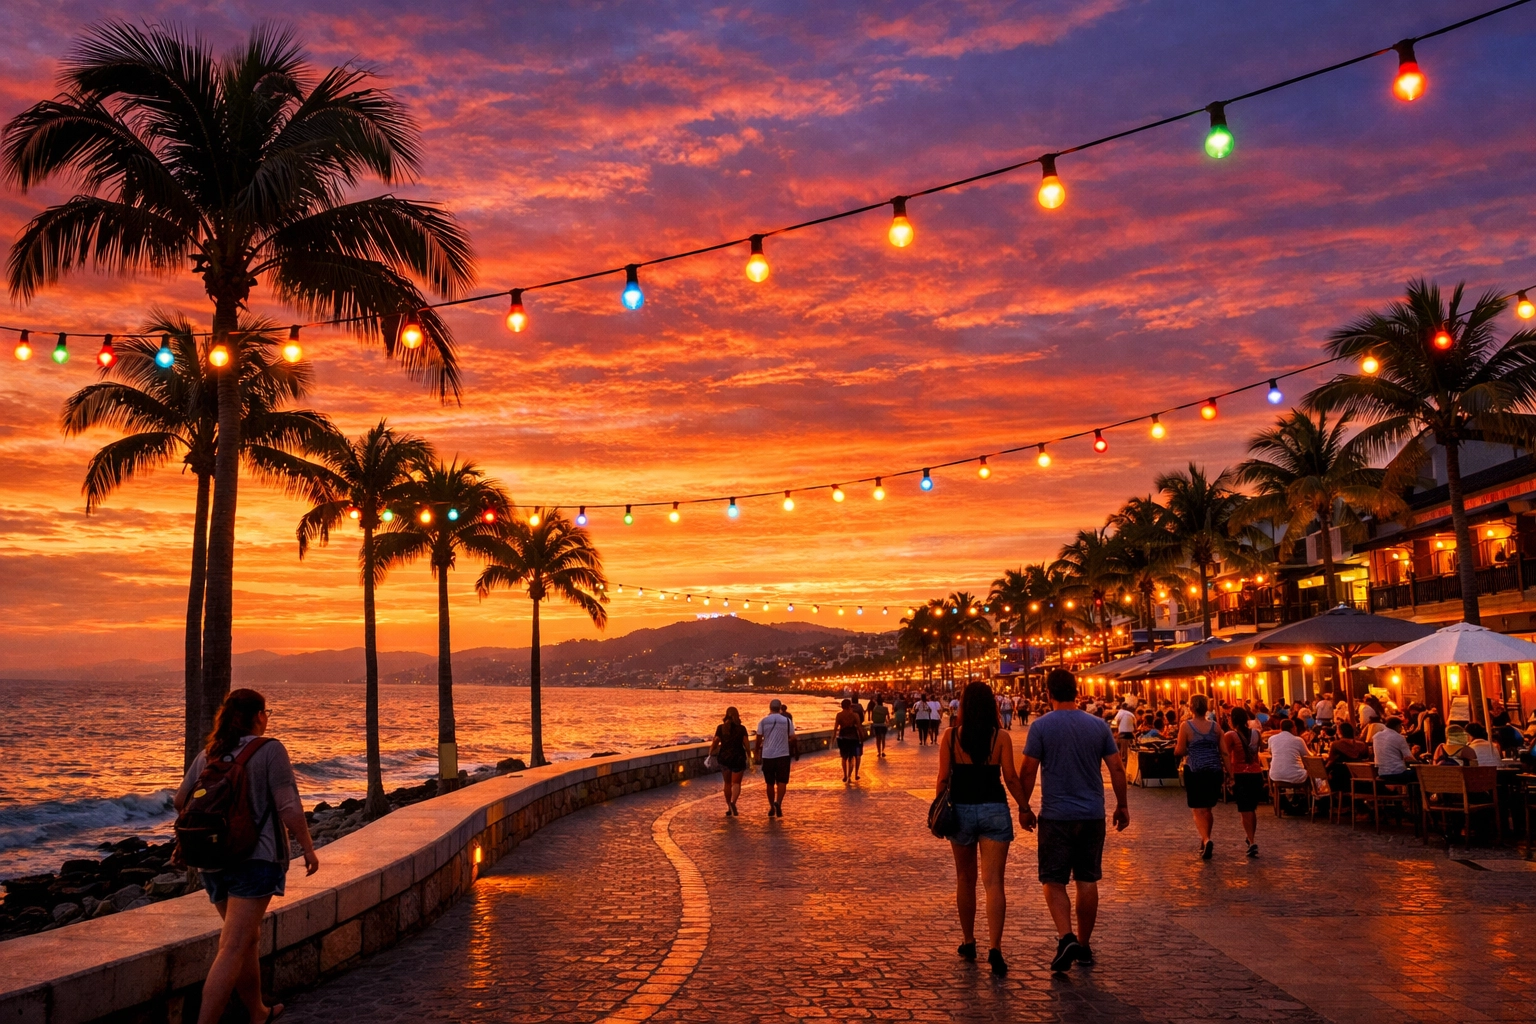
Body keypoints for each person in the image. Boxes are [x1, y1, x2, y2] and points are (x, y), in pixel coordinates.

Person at [175, 689, 318, 1024]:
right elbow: (287, 805)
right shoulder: (269, 750)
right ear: (258, 716)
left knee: (246, 937)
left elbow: (181, 801)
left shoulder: (210, 753)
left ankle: (257, 1012)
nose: (267, 718)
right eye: (267, 712)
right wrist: (307, 847)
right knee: (233, 946)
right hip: (256, 860)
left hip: (212, 860)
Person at [1018, 669, 1130, 974]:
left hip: (1056, 815)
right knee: (1087, 879)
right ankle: (1083, 944)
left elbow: (1028, 770)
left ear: (1048, 693)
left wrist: (1024, 806)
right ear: (1077, 691)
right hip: (1092, 814)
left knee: (1053, 880)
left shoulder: (1041, 727)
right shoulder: (1097, 726)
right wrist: (1122, 805)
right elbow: (1117, 769)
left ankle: (1066, 935)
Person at [938, 681, 1028, 976]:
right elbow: (1011, 777)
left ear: (962, 705)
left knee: (965, 879)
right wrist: (1025, 808)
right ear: (992, 705)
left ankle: (968, 941)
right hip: (994, 809)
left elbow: (942, 779)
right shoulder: (999, 736)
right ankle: (996, 948)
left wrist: (937, 811)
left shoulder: (950, 737)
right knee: (994, 883)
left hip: (961, 810)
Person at [1174, 693, 1225, 861]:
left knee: (1197, 809)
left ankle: (1206, 839)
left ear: (1191, 708)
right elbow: (1224, 752)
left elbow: (1179, 750)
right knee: (1208, 808)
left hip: (1195, 770)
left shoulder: (1186, 726)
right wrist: (1230, 773)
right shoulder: (1216, 727)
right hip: (1214, 770)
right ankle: (1204, 840)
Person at [1221, 707, 1264, 857]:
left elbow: (1225, 754)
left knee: (1245, 810)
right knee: (1251, 809)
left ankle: (1252, 841)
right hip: (1256, 773)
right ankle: (1251, 837)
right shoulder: (1256, 734)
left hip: (1240, 774)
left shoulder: (1230, 735)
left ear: (1232, 719)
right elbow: (1259, 750)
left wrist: (1228, 776)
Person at [755, 699, 796, 816]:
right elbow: (793, 737)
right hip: (783, 754)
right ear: (780, 708)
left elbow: (758, 738)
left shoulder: (763, 721)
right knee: (782, 780)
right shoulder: (787, 721)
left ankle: (771, 806)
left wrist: (757, 752)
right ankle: (779, 802)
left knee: (769, 783)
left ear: (770, 708)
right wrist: (785, 740)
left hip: (768, 755)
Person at [709, 706, 750, 816]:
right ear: (737, 715)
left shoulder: (721, 728)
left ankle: (728, 807)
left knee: (727, 783)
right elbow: (746, 743)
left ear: (726, 715)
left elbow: (716, 741)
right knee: (736, 782)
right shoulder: (741, 728)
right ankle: (733, 802)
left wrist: (711, 751)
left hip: (724, 757)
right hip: (738, 757)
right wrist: (749, 755)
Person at [1371, 716, 1419, 785]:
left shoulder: (1376, 736)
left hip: (1382, 773)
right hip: (1398, 773)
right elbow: (1409, 758)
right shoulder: (1399, 738)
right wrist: (1418, 760)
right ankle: (1418, 795)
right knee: (1420, 775)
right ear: (1398, 726)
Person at [835, 699, 862, 783]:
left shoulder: (839, 715)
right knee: (857, 755)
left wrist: (832, 739)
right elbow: (859, 728)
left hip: (843, 738)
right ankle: (856, 774)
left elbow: (835, 728)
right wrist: (862, 737)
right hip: (854, 738)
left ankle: (845, 775)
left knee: (844, 757)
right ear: (849, 706)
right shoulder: (855, 715)